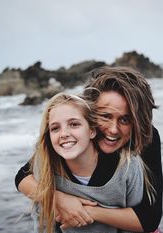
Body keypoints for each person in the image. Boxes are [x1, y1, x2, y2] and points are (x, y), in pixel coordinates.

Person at [15, 66, 163, 232]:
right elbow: (23, 176)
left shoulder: (143, 140)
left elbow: (149, 218)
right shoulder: (74, 138)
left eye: (125, 120)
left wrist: (85, 211)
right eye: (106, 116)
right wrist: (58, 199)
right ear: (90, 112)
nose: (113, 129)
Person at [30, 92, 146, 233]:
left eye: (74, 124)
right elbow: (43, 225)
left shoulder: (127, 166)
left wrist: (86, 211)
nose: (64, 133)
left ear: (92, 130)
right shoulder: (45, 166)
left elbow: (140, 221)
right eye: (55, 128)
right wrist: (54, 197)